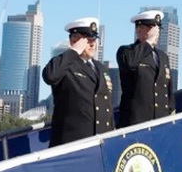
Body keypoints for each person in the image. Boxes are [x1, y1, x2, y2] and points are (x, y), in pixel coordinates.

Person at [42, 17, 114, 147]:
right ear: (74, 40)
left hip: (100, 143)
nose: (92, 44)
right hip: (73, 144)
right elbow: (50, 76)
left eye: (94, 40)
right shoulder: (65, 65)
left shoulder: (101, 69)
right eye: (87, 40)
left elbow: (106, 107)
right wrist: (74, 51)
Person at [116, 10, 174, 127]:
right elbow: (130, 63)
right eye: (151, 29)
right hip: (136, 121)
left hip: (160, 120)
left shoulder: (162, 57)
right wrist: (148, 42)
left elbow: (168, 89)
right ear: (139, 30)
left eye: (157, 30)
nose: (156, 33)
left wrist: (171, 113)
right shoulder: (127, 51)